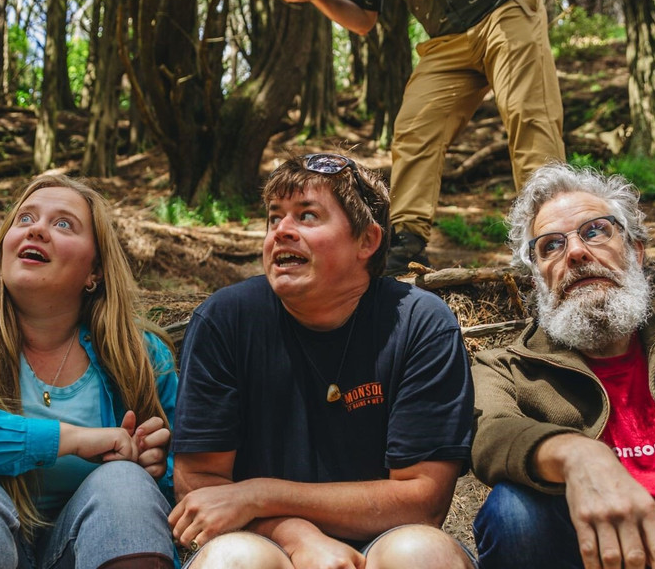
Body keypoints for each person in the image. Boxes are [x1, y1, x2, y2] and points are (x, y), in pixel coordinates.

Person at [274, 0, 565, 274]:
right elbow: (363, 19)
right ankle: (406, 246)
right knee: (412, 128)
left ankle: (553, 231)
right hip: (446, 43)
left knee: (529, 115)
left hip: (504, 8)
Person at [171, 152, 476, 569]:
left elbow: (422, 502)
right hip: (260, 539)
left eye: (307, 216)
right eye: (274, 217)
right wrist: (298, 537)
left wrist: (258, 493)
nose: (281, 231)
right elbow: (200, 491)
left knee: (422, 553)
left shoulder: (420, 324)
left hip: (383, 542)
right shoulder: (225, 319)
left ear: (367, 241)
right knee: (234, 560)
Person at [0, 174, 178, 569]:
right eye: (24, 219)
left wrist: (157, 466)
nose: (37, 230)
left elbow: (194, 467)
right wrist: (68, 439)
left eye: (63, 224)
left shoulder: (141, 354)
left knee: (126, 483)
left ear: (94, 271)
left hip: (86, 547)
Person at [471, 162, 655, 569]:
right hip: (590, 557)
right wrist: (578, 456)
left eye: (595, 230)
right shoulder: (506, 369)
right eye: (551, 246)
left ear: (635, 250)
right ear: (537, 279)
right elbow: (488, 432)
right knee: (512, 512)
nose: (576, 252)